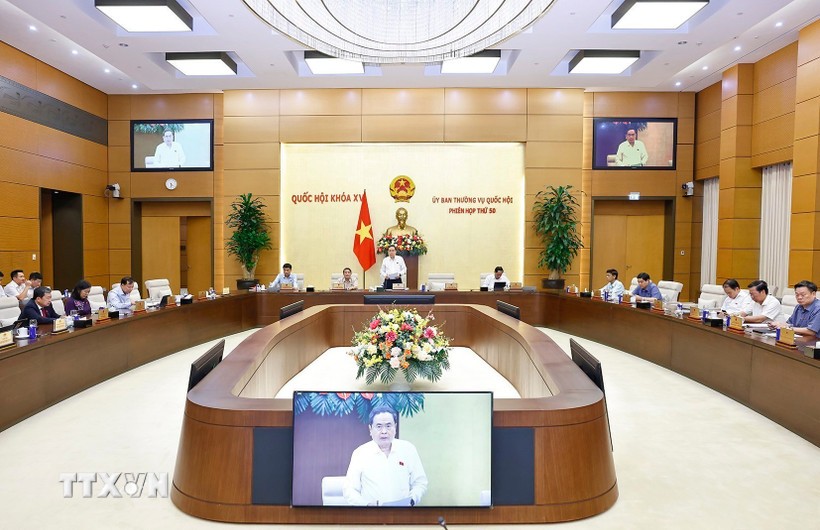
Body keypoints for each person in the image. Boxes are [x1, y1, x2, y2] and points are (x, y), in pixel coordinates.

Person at [343, 405, 427, 507]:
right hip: (372, 515)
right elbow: (349, 490)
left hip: (403, 514)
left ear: (395, 427)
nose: (384, 431)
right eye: (379, 426)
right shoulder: (360, 453)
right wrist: (367, 505)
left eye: (388, 426)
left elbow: (420, 482)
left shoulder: (408, 449)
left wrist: (412, 500)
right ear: (370, 429)